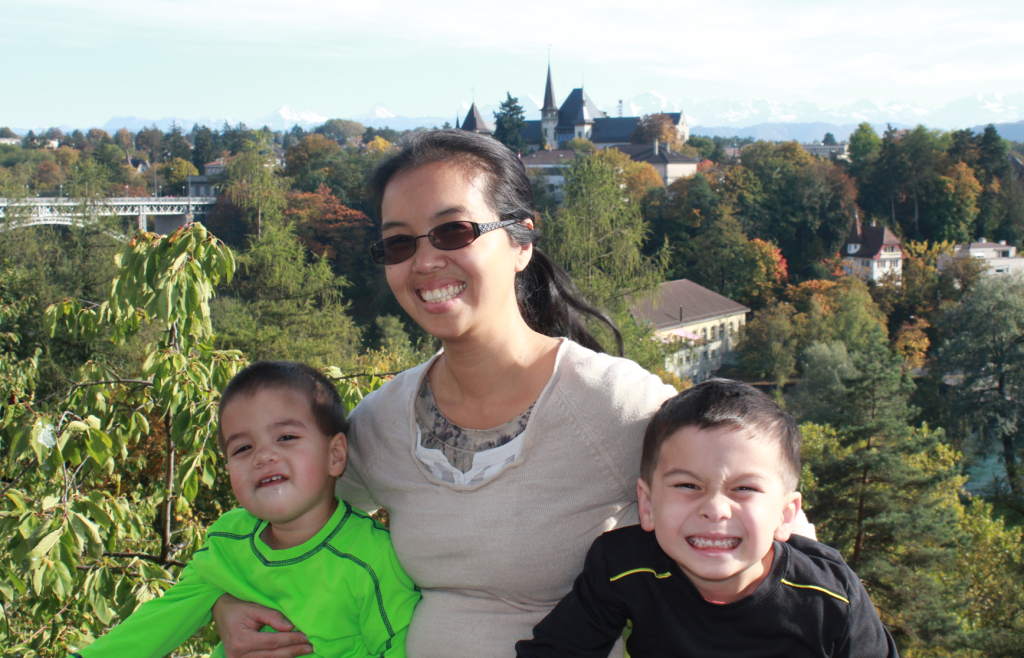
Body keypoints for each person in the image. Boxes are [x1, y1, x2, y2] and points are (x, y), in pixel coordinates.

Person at [210, 130, 809, 657]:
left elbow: (778, 537)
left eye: (453, 231)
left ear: (521, 242)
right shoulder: (382, 425)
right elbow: (281, 526)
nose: (425, 261)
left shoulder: (612, 404)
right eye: (400, 242)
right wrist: (225, 605)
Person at [515, 379, 899, 658]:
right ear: (646, 505)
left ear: (785, 516)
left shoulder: (829, 596)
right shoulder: (623, 568)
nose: (715, 508)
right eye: (687, 485)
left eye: (744, 489)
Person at [73, 361, 420, 658]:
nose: (262, 456)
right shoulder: (229, 539)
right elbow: (159, 621)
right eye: (242, 448)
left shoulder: (372, 559)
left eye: (285, 437)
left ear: (335, 455)